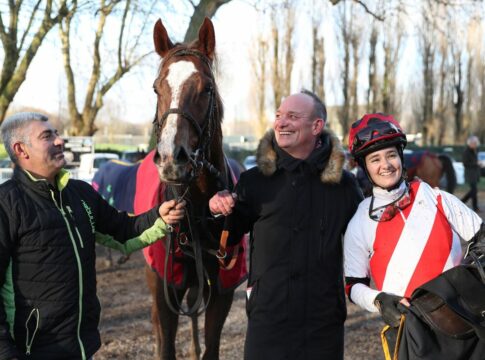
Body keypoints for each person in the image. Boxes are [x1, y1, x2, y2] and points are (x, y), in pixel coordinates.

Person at [0, 112, 185, 360]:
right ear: (21, 149)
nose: (59, 141)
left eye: (56, 133)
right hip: (30, 351)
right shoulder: (6, 205)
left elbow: (122, 231)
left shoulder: (81, 194)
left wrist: (159, 217)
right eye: (47, 136)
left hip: (83, 346)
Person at [209, 90, 363, 359]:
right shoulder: (254, 181)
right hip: (267, 320)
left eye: (292, 116)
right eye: (279, 116)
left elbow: (367, 241)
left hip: (322, 324)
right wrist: (217, 209)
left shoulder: (345, 186)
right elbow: (226, 238)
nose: (281, 123)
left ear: (316, 126)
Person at [343, 113, 484, 355]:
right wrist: (379, 300)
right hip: (414, 335)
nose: (385, 165)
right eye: (375, 159)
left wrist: (469, 279)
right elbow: (353, 285)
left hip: (465, 322)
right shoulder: (359, 222)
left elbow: (481, 237)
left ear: (400, 156)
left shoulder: (435, 196)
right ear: (364, 167)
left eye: (391, 155)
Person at [461, 135, 481, 212]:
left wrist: (477, 164)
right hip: (470, 174)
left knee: (473, 191)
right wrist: (476, 164)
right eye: (475, 143)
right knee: (474, 190)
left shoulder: (475, 151)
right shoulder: (466, 152)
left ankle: (462, 202)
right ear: (470, 143)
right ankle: (475, 207)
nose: (476, 145)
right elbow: (465, 163)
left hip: (475, 174)